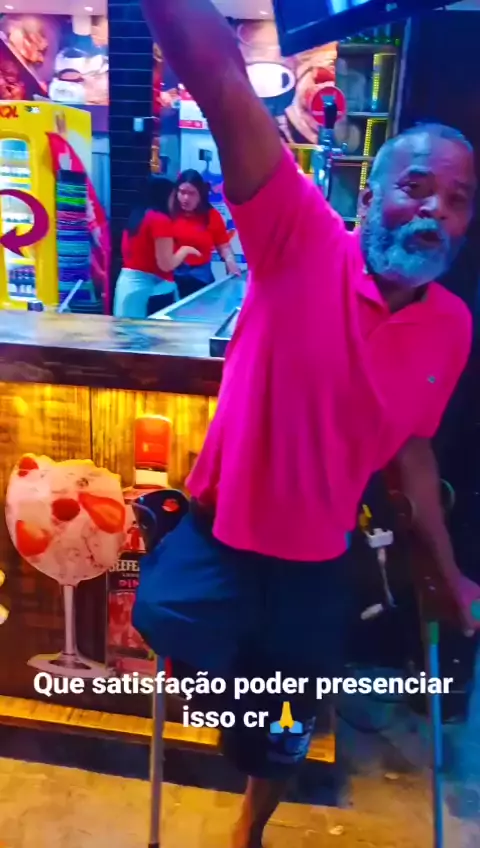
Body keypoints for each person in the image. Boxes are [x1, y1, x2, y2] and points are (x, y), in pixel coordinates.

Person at [134, 2, 480, 846]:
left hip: (317, 561)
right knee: (172, 635)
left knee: (286, 729)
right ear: (370, 193)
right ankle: (236, 715)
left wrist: (445, 573)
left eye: (457, 201)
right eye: (416, 187)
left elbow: (410, 449)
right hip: (218, 539)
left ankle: (247, 826)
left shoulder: (450, 327)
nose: (435, 211)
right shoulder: (299, 236)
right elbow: (219, 79)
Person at [113, 175, 201, 319]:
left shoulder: (137, 216)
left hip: (127, 286)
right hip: (147, 291)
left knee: (126, 330)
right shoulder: (160, 220)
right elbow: (166, 265)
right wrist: (185, 250)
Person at [171, 169, 241, 299]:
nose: (186, 198)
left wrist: (230, 262)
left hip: (201, 278)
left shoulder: (212, 216)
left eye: (192, 193)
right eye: (182, 192)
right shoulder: (169, 214)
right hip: (171, 279)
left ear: (200, 195)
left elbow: (224, 247)